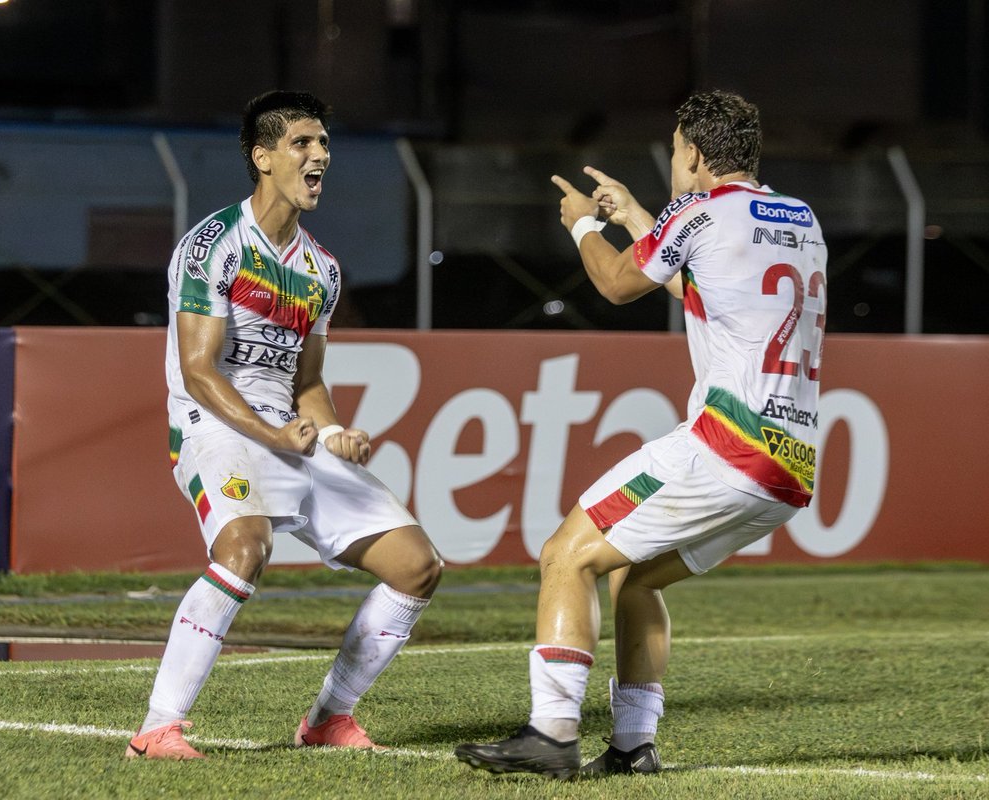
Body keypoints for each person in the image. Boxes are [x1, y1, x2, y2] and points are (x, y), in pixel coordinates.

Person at [455, 90, 827, 780]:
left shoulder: (699, 210)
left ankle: (551, 733)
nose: (675, 158)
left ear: (692, 152)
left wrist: (581, 228)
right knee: (633, 579)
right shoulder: (799, 217)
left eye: (677, 146)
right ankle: (633, 745)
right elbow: (706, 287)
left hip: (725, 443)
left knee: (566, 554)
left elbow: (618, 285)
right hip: (791, 464)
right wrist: (632, 216)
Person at [126, 90, 444, 761]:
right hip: (213, 427)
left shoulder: (320, 272)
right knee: (244, 548)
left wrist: (334, 435)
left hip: (287, 435)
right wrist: (274, 436)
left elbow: (307, 385)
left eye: (323, 143)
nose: (319, 155)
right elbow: (198, 369)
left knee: (417, 565)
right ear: (262, 156)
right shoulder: (213, 245)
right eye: (302, 143)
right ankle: (157, 728)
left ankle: (329, 718)